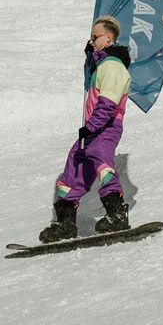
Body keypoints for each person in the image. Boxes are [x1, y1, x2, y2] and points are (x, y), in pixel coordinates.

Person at [39, 15, 133, 243]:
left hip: (106, 126)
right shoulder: (100, 65)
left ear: (108, 38)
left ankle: (117, 214)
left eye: (95, 37)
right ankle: (65, 222)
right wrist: (89, 57)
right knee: (75, 164)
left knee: (101, 161)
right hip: (92, 128)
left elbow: (108, 104)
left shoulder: (113, 66)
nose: (91, 40)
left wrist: (91, 127)